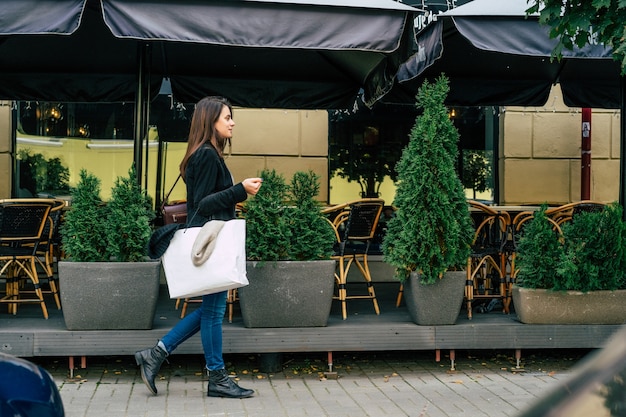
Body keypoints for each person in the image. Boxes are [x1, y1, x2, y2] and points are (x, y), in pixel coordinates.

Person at [135, 96, 262, 398]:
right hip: (210, 241)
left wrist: (236, 192)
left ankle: (156, 354)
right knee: (214, 312)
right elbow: (203, 204)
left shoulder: (206, 153)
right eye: (227, 117)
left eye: (232, 117)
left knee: (211, 310)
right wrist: (239, 190)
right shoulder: (206, 155)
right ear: (211, 121)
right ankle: (216, 377)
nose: (232, 122)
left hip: (212, 240)